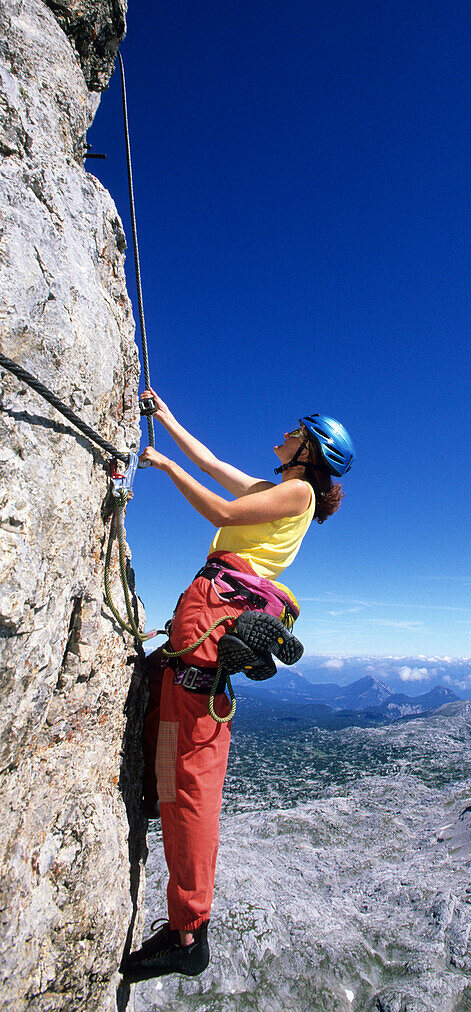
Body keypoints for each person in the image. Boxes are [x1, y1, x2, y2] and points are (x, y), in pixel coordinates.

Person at [121, 390, 354, 983]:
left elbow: (222, 512)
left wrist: (163, 465)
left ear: (309, 450)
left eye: (293, 431)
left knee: (191, 766)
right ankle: (157, 802)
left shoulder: (298, 490)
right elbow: (216, 469)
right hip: (206, 611)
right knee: (171, 730)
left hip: (215, 611)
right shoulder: (285, 491)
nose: (282, 434)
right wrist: (168, 420)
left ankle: (189, 930)